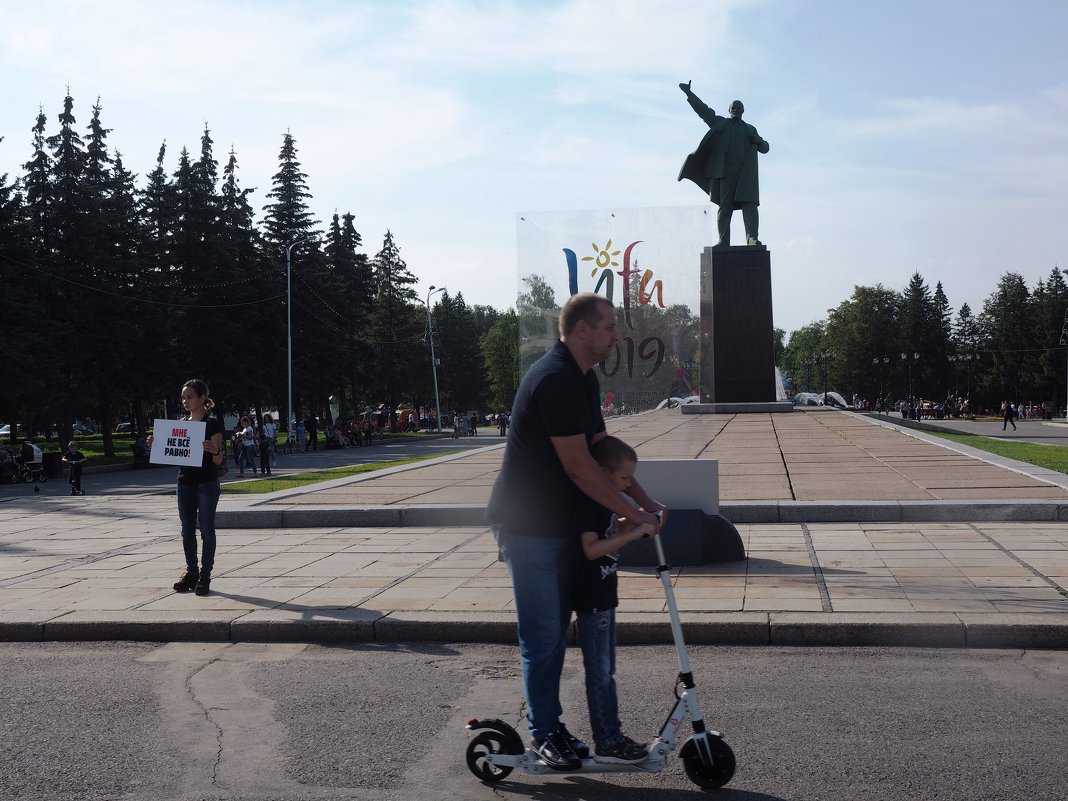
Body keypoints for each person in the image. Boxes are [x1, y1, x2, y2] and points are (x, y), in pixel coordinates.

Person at [486, 291, 664, 771]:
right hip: (529, 527)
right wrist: (635, 513)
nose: (616, 335)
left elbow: (605, 454)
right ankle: (545, 733)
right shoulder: (555, 379)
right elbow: (582, 469)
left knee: (559, 633)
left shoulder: (583, 378)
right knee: (544, 638)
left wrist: (646, 502)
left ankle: (559, 728)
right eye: (609, 326)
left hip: (560, 525)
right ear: (581, 328)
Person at [571, 435, 657, 763]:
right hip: (593, 601)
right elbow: (591, 549)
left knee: (608, 672)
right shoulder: (589, 504)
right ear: (604, 474)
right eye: (623, 479)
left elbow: (610, 534)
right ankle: (607, 740)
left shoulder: (605, 504)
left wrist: (637, 520)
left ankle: (613, 736)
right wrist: (634, 531)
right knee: (600, 674)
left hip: (605, 598)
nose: (627, 485)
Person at [151, 379, 224, 597]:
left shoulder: (211, 425)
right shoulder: (180, 424)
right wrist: (156, 444)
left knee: (207, 529)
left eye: (189, 397)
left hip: (206, 483)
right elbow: (170, 452)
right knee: (186, 530)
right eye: (183, 398)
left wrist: (214, 451)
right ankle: (191, 572)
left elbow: (219, 461)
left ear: (203, 399)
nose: (185, 401)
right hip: (184, 483)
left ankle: (205, 575)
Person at [678, 81, 769, 247]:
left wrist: (758, 141)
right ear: (729, 110)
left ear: (743, 111)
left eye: (739, 108)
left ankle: (752, 238)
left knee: (749, 206)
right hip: (726, 172)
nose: (736, 110)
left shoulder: (750, 129)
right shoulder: (721, 123)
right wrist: (689, 94)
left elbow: (765, 148)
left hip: (746, 174)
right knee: (725, 206)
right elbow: (704, 112)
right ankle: (723, 240)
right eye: (733, 108)